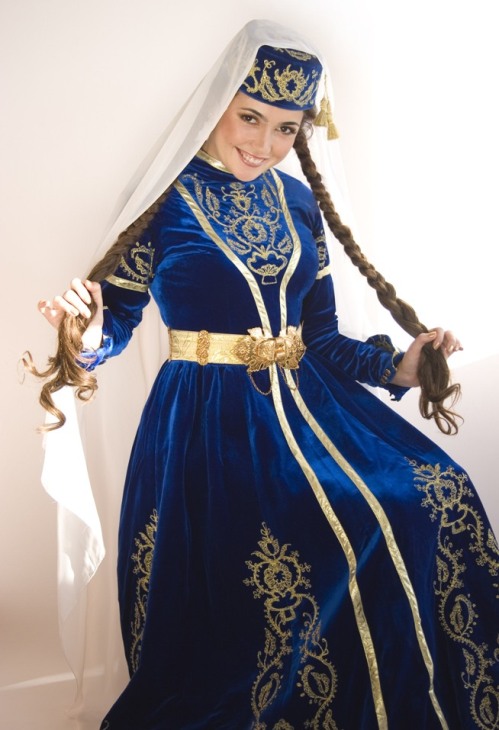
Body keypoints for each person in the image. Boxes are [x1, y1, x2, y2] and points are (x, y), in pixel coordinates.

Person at [30, 19, 498, 730]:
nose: (264, 143)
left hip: (314, 405)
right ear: (217, 103)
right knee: (330, 534)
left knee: (433, 491)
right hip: (209, 425)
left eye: (286, 128)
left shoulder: (298, 201)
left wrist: (398, 367)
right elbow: (116, 322)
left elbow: (323, 338)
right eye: (249, 117)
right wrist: (88, 332)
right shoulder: (165, 200)